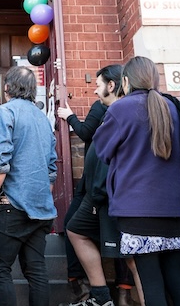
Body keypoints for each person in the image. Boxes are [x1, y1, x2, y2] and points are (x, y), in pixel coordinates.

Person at [96, 56, 180, 306]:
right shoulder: (172, 106)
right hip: (174, 207)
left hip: (137, 207)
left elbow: (102, 150)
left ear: (126, 81)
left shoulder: (121, 109)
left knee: (152, 285)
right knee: (177, 281)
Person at [65, 65, 143, 306]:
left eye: (98, 85)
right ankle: (100, 297)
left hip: (114, 196)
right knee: (75, 228)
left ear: (111, 85)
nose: (96, 92)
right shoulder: (111, 112)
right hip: (100, 195)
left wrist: (100, 191)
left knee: (133, 258)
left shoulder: (121, 112)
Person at [0, 65, 58, 306]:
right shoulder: (43, 118)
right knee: (36, 272)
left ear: (7, 88)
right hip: (40, 209)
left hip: (12, 206)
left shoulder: (5, 112)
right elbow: (51, 169)